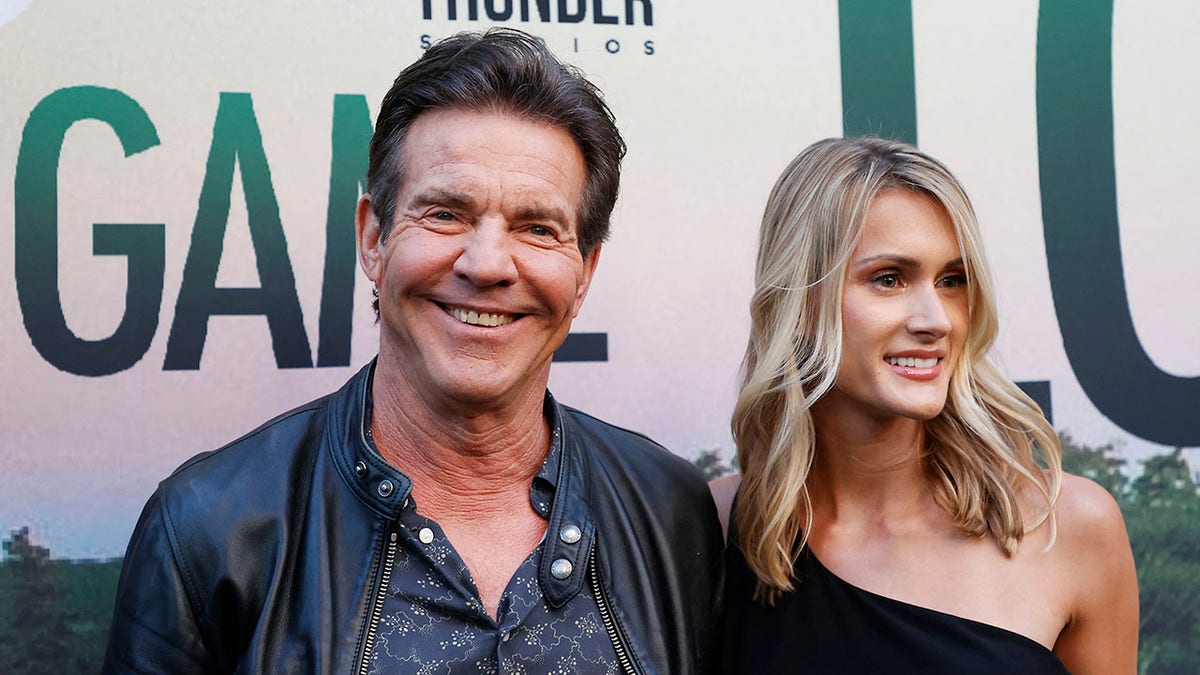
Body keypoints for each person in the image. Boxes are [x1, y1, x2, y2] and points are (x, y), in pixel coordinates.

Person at [104, 29, 723, 674]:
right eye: (445, 214)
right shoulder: (211, 531)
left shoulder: (669, 511)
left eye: (537, 228)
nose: (487, 265)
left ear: (585, 271)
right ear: (373, 236)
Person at [712, 137, 1138, 674]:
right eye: (888, 279)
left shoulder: (1070, 527)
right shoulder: (714, 530)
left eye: (952, 281)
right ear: (800, 299)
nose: (935, 319)